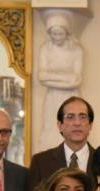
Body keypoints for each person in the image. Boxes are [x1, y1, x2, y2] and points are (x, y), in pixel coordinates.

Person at [26, 96, 97, 191]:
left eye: (82, 117)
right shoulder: (41, 162)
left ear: (90, 125)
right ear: (60, 125)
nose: (77, 123)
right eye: (70, 117)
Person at [37, 13, 83, 152]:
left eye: (60, 34)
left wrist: (52, 77)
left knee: (73, 124)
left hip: (71, 96)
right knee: (51, 127)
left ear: (66, 32)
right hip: (53, 97)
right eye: (54, 34)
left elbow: (77, 80)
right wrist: (66, 78)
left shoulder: (76, 50)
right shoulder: (45, 49)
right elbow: (41, 76)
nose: (57, 38)